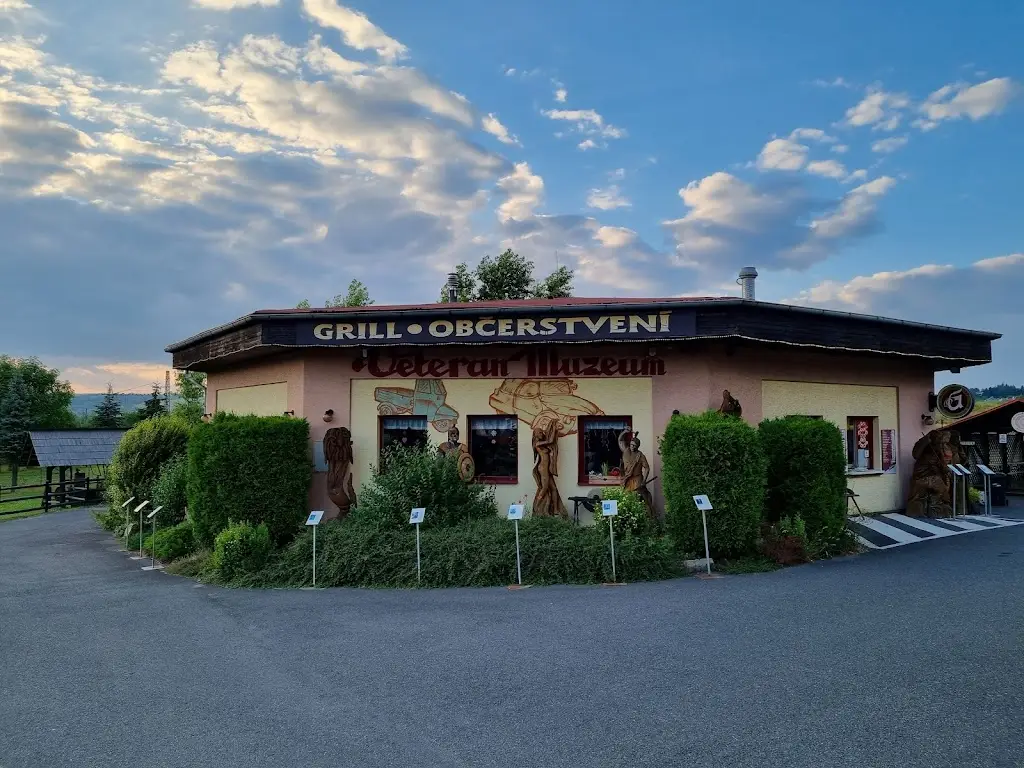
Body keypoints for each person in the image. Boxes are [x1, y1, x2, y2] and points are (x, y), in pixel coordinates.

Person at [618, 428, 654, 515]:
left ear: (638, 446)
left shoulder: (640, 455)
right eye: (631, 445)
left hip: (637, 479)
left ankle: (649, 515)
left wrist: (644, 480)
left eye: (634, 446)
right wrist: (624, 432)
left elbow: (647, 468)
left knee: (640, 498)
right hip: (627, 479)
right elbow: (620, 440)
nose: (632, 447)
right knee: (626, 499)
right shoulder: (626, 451)